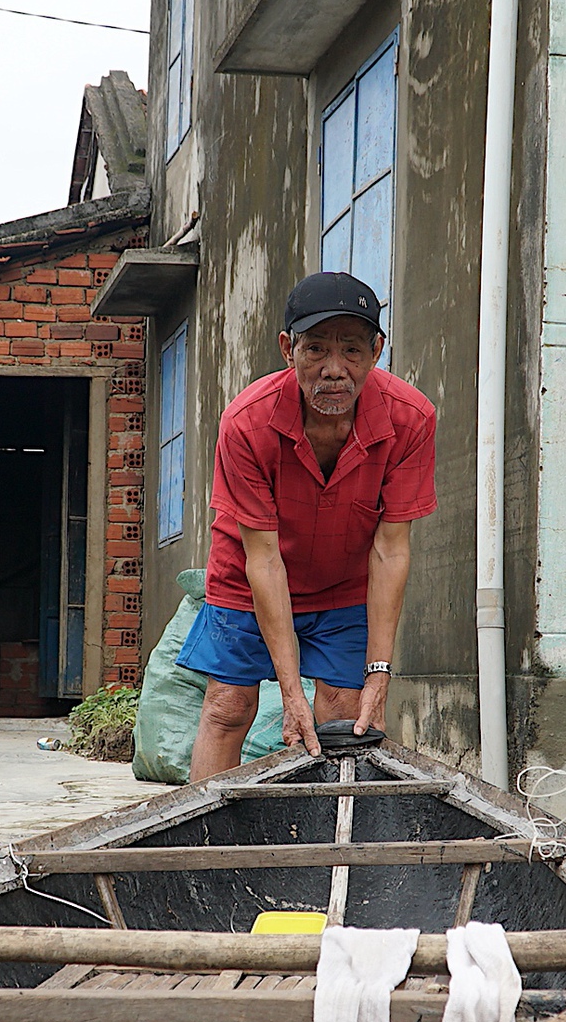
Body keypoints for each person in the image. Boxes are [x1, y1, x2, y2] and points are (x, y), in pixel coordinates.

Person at [181, 271, 438, 779]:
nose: (334, 370)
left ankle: (327, 851)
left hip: (343, 584)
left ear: (377, 350)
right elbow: (264, 558)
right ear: (287, 348)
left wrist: (378, 674)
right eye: (316, 349)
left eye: (352, 351)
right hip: (248, 576)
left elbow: (390, 550)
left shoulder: (411, 419)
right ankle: (203, 852)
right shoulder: (246, 424)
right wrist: (291, 689)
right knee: (228, 706)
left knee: (346, 720)